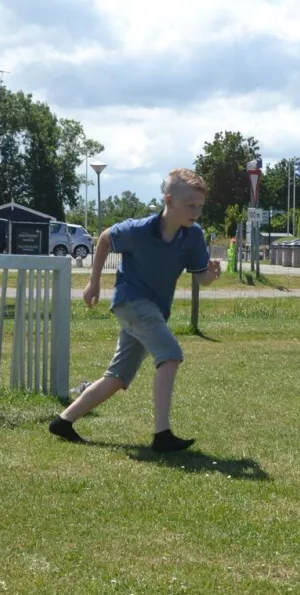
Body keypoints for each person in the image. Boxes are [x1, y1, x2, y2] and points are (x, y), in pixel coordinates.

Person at [49, 169, 222, 451]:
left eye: (200, 206)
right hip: (130, 302)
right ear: (168, 200)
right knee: (170, 356)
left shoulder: (193, 235)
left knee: (118, 377)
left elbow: (201, 277)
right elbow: (104, 238)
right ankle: (162, 435)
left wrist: (212, 274)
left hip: (153, 310)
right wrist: (93, 283)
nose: (197, 212)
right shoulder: (138, 230)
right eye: (191, 205)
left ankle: (63, 421)